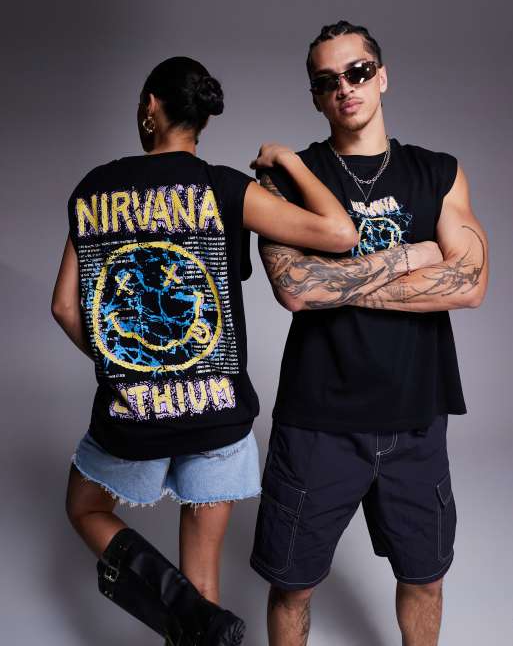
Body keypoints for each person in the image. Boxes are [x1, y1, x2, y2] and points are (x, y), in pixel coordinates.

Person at [51, 56, 364, 646]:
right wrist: (290, 162)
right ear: (202, 119)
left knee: (87, 509)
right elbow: (341, 233)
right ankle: (193, 610)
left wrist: (126, 367)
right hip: (217, 412)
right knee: (203, 600)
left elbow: (65, 308)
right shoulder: (224, 188)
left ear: (150, 107)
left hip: (133, 413)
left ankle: (179, 606)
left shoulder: (94, 189)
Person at [249, 21, 488, 646]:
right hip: (317, 421)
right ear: (315, 96)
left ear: (382, 77)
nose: (345, 88)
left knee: (425, 577)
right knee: (292, 585)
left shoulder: (438, 171)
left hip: (417, 417)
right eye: (327, 81)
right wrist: (411, 257)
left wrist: (335, 282)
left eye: (357, 73)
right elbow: (295, 288)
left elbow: (469, 282)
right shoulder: (287, 179)